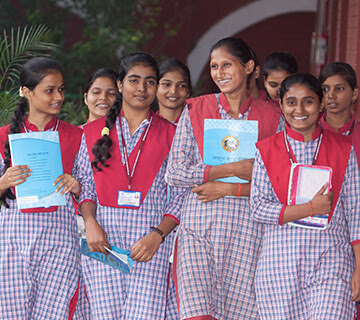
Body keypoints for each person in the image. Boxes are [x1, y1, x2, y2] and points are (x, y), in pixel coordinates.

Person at [165, 37, 282, 320]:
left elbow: (278, 184)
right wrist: (230, 169)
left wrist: (230, 187)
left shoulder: (273, 117)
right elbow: (175, 172)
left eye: (227, 65)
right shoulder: (195, 109)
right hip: (199, 228)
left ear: (249, 67)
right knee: (197, 313)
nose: (219, 73)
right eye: (214, 66)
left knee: (240, 313)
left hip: (248, 231)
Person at [77, 52, 184, 320]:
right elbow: (86, 187)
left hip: (149, 243)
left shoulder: (173, 134)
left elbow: (181, 196)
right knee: (103, 315)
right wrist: (90, 223)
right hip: (103, 240)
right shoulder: (91, 132)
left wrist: (158, 235)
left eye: (150, 82)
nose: (142, 88)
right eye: (134, 80)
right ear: (120, 85)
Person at [251, 72, 360, 319]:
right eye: (291, 102)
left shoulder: (343, 149)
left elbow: (356, 213)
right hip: (279, 265)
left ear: (321, 103)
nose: (299, 109)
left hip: (330, 261)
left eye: (308, 101)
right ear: (280, 105)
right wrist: (310, 208)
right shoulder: (266, 150)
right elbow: (257, 208)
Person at [0, 57, 89, 319]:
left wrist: (76, 185)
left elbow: (90, 190)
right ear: (27, 92)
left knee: (54, 313)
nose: (58, 96)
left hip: (58, 238)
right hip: (12, 238)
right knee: (11, 311)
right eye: (49, 90)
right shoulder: (3, 135)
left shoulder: (75, 135)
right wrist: (5, 181)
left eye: (61, 89)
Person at [318, 62, 360, 163]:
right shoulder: (310, 132)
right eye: (325, 89)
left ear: (354, 94)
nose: (331, 95)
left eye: (339, 88)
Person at [156, 58, 192, 123]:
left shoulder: (197, 125)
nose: (173, 91)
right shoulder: (146, 126)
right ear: (155, 88)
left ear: (188, 91)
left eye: (181, 86)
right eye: (166, 84)